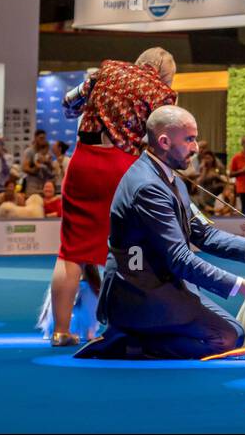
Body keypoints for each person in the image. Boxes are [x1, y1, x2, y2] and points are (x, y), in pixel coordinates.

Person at [74, 105, 245, 360]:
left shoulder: (171, 178)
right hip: (138, 294)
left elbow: (203, 234)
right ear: (165, 141)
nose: (197, 147)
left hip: (160, 284)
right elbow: (179, 259)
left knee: (232, 333)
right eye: (189, 139)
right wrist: (242, 286)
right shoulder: (148, 187)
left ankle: (137, 335)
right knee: (226, 337)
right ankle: (127, 344)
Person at [46, 47, 179, 347]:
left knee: (71, 251)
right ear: (166, 74)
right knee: (129, 248)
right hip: (122, 168)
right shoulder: (163, 94)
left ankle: (61, 331)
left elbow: (69, 106)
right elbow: (162, 143)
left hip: (83, 161)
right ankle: (126, 327)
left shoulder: (104, 71)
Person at [22, 131, 53, 197]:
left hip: (44, 186)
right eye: (41, 138)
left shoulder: (47, 152)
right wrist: (38, 164)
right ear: (35, 138)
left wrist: (48, 162)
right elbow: (25, 168)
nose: (43, 140)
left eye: (44, 138)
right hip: (32, 187)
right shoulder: (29, 151)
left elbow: (51, 170)